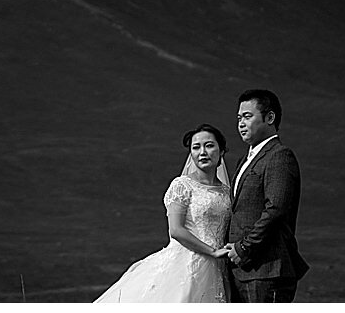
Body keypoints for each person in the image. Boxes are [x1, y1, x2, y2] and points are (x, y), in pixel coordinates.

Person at [95, 124, 234, 302]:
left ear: (221, 150)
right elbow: (176, 230)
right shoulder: (182, 185)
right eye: (196, 147)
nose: (202, 152)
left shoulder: (226, 191)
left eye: (209, 145)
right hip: (187, 263)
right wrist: (212, 251)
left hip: (218, 267)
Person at [224, 89, 309, 302]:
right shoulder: (243, 160)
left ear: (269, 118)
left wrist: (243, 247)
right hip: (241, 271)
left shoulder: (279, 156)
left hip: (268, 270)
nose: (241, 123)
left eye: (247, 116)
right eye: (238, 118)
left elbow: (275, 210)